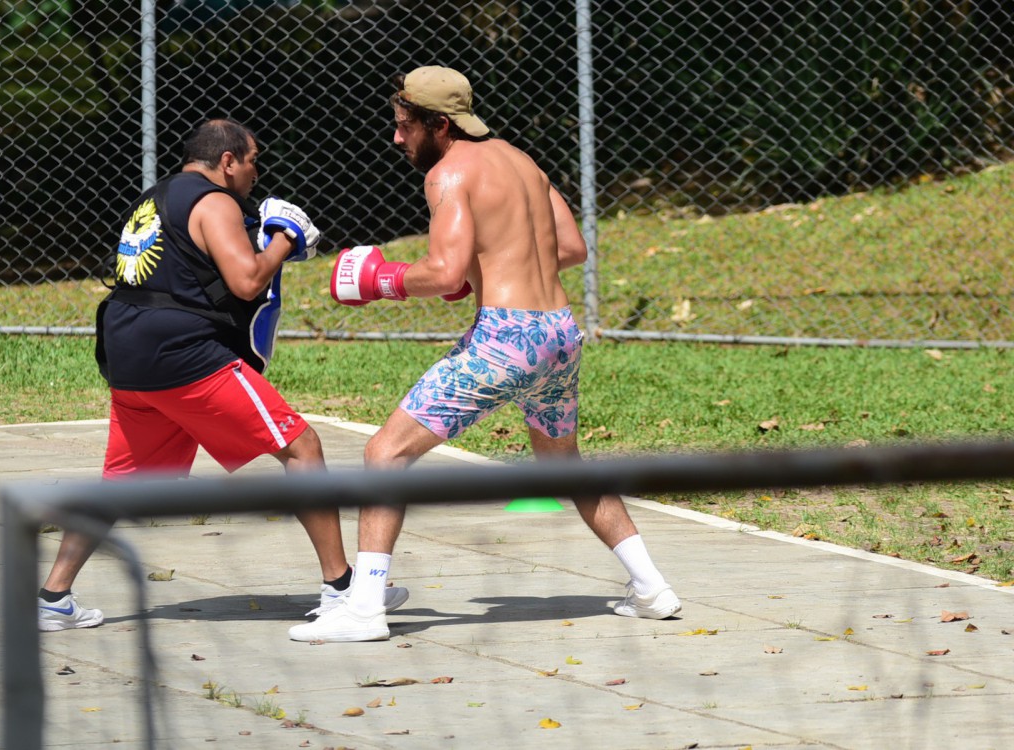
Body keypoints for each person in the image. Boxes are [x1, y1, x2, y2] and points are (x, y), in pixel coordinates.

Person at [290, 67, 680, 643]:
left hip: (506, 338)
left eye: (404, 126)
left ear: (438, 124)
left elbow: (442, 271)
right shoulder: (523, 162)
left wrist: (382, 278)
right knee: (564, 465)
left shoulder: (449, 174)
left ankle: (365, 608)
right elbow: (569, 249)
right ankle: (651, 588)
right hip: (558, 331)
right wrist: (485, 270)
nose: (396, 139)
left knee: (384, 454)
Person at [37, 118, 408, 632]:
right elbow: (248, 280)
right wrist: (284, 239)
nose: (257, 172)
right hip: (182, 354)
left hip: (127, 354)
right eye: (253, 160)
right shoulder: (215, 202)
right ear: (228, 162)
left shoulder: (157, 196)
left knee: (119, 483)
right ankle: (342, 588)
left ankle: (53, 599)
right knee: (301, 447)